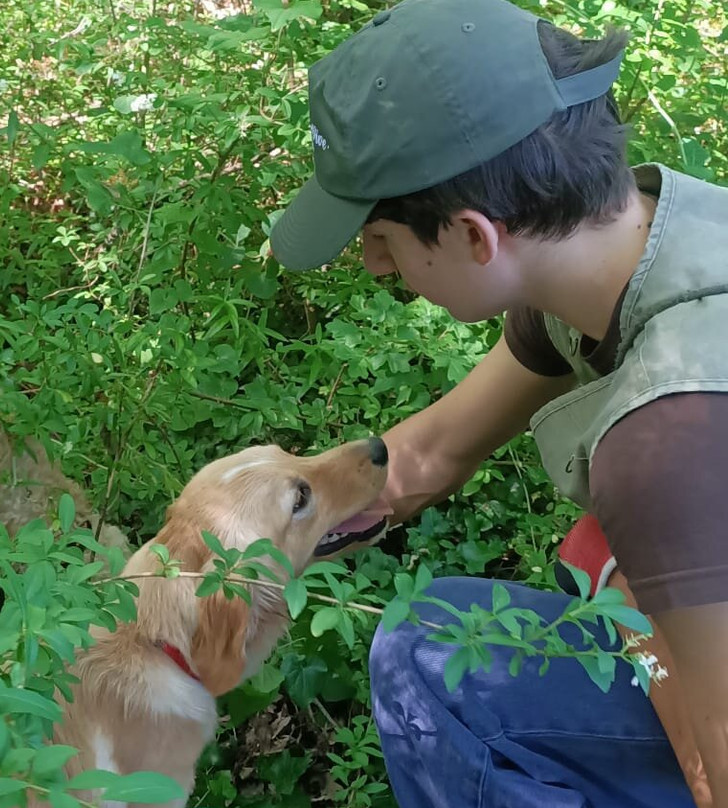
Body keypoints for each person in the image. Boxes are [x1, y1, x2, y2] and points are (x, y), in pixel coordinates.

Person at [269, 0, 728, 805]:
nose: (377, 269)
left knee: (435, 661)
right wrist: (223, 554)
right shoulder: (639, 245)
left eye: (382, 242)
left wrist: (645, 632)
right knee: (465, 621)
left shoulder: (667, 436)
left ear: (475, 237)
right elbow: (427, 457)